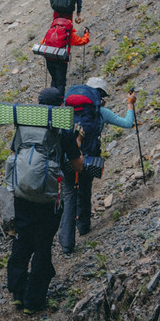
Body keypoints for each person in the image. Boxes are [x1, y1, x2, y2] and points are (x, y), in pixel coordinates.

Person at [7, 87, 84, 314]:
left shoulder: (23, 124)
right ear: (60, 105)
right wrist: (76, 144)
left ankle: (17, 293)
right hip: (49, 199)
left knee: (22, 242)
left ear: (38, 102)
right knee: (42, 247)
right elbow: (77, 165)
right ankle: (34, 301)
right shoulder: (63, 128)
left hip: (21, 194)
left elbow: (14, 153)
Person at [58, 77, 136, 254]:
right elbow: (127, 123)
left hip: (67, 159)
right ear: (99, 94)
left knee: (68, 195)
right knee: (84, 191)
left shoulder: (66, 111)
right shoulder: (100, 113)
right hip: (88, 161)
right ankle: (83, 227)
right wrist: (130, 104)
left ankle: (66, 242)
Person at [44, 21, 89, 95]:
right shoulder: (68, 33)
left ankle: (51, 100)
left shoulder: (52, 30)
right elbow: (82, 41)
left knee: (54, 79)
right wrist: (86, 33)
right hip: (61, 60)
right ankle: (59, 102)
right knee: (61, 83)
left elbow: (43, 42)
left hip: (49, 58)